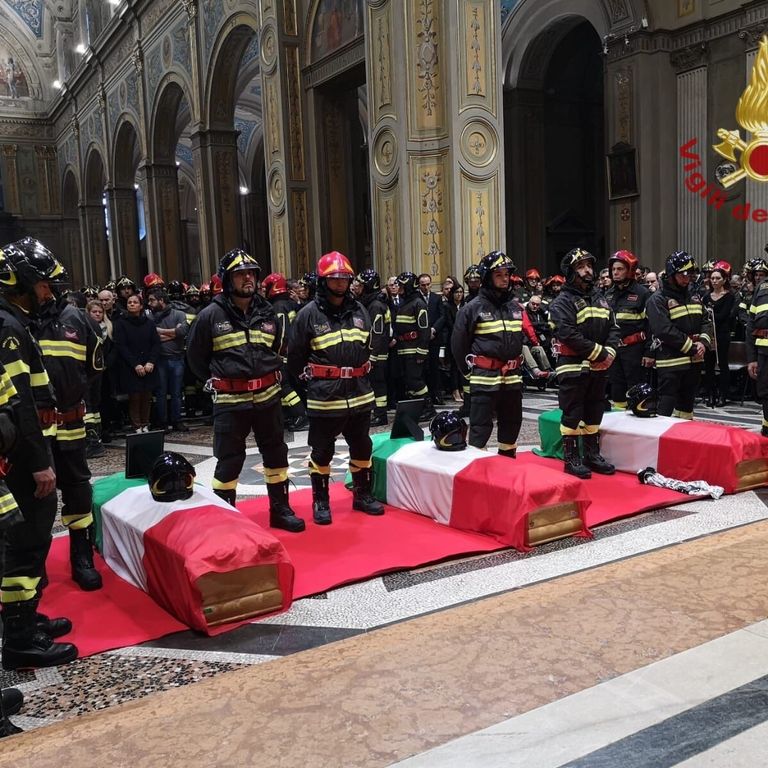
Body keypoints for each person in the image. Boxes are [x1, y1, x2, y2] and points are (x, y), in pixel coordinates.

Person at [5, 238, 104, 591]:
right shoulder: (16, 322)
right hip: (31, 432)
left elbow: (93, 369)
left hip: (70, 423)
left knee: (78, 492)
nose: (48, 292)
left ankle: (82, 557)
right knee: (34, 498)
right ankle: (34, 566)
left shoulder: (76, 319)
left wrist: (71, 397)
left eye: (51, 285)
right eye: (43, 285)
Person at [186, 249, 304, 532]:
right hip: (230, 401)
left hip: (268, 398)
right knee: (229, 460)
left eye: (251, 273)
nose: (248, 278)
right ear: (227, 280)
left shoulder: (267, 312)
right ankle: (226, 522)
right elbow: (195, 359)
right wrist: (224, 379)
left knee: (276, 454)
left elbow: (276, 348)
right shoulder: (210, 315)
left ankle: (280, 510)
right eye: (240, 274)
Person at [0, 245, 78, 668]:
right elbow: (19, 405)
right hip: (22, 458)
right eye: (44, 285)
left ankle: (25, 619)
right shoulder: (8, 327)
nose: (49, 294)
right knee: (27, 544)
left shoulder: (14, 321)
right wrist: (38, 463)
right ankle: (19, 638)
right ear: (20, 283)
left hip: (22, 451)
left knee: (29, 543)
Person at [287, 251, 383, 524]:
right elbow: (295, 358)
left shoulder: (360, 310)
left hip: (359, 394)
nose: (341, 283)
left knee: (362, 446)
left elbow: (367, 346)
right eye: (334, 278)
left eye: (344, 278)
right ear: (323, 281)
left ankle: (362, 495)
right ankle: (321, 501)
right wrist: (312, 384)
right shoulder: (308, 314)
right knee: (322, 451)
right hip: (325, 398)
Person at [549, 248, 621, 479]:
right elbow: (568, 334)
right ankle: (571, 459)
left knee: (595, 409)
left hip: (599, 367)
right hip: (572, 366)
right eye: (581, 267)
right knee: (573, 412)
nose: (587, 270)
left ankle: (592, 454)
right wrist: (600, 353)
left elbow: (613, 328)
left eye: (589, 265)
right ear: (570, 273)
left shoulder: (601, 299)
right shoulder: (561, 302)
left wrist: (610, 352)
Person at [452, 251, 525, 457]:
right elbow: (458, 345)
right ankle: (479, 468)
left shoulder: (515, 307)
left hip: (512, 379)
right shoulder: (471, 308)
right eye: (499, 275)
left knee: (512, 423)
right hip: (484, 378)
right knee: (480, 427)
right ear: (487, 277)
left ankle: (507, 461)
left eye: (507, 274)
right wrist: (469, 373)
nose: (505, 279)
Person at [646, 251, 713, 419]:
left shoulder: (694, 296)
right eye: (683, 274)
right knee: (666, 404)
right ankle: (660, 435)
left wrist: (703, 343)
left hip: (695, 361)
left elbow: (706, 321)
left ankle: (684, 433)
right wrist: (692, 347)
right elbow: (664, 330)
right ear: (671, 274)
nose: (687, 278)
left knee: (687, 404)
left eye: (690, 274)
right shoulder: (657, 299)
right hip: (671, 362)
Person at [605, 250, 653, 409]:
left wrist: (649, 352)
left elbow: (651, 325)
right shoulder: (608, 294)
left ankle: (637, 418)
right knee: (616, 387)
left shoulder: (643, 293)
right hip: (614, 350)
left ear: (630, 270)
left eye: (620, 269)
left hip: (635, 350)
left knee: (635, 388)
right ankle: (620, 419)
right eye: (613, 269)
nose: (615, 272)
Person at [262, 272, 309, 431]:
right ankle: (290, 415)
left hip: (283, 354)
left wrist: (277, 354)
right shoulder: (288, 304)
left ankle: (300, 415)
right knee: (291, 385)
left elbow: (282, 333)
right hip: (293, 352)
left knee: (283, 385)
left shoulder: (278, 306)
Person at [113, 293, 160, 432]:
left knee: (147, 396)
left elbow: (156, 344)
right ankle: (137, 425)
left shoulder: (149, 323)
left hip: (148, 366)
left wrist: (151, 362)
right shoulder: (121, 323)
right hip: (131, 367)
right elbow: (122, 346)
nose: (132, 304)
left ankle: (145, 424)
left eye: (135, 302)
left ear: (141, 306)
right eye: (129, 302)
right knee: (135, 397)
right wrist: (135, 364)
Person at [392, 271, 435, 421]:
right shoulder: (404, 303)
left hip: (414, 350)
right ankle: (417, 409)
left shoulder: (418, 304)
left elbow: (424, 330)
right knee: (408, 381)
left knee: (415, 380)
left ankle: (429, 407)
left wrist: (422, 351)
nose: (399, 288)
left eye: (401, 285)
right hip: (403, 349)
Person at [147, 288, 189, 432]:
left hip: (177, 358)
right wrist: (173, 333)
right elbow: (152, 337)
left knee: (177, 392)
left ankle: (177, 420)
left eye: (152, 300)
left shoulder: (179, 314)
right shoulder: (150, 317)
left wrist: (161, 332)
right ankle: (163, 422)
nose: (149, 303)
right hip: (160, 360)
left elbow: (182, 332)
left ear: (161, 301)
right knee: (161, 393)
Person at [356, 269, 391, 426]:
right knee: (375, 383)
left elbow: (376, 333)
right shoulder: (374, 302)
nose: (358, 288)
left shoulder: (375, 305)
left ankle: (380, 414)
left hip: (377, 353)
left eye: (361, 285)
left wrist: (372, 356)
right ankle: (377, 412)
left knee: (378, 384)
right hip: (376, 351)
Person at [702, 266, 735, 407]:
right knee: (708, 365)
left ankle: (723, 395)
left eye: (717, 278)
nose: (714, 281)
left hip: (722, 335)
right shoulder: (706, 297)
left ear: (724, 280)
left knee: (722, 365)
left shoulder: (729, 296)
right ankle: (711, 395)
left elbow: (723, 316)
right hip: (709, 335)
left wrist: (710, 312)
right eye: (712, 278)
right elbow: (703, 316)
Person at [746, 257, 768, 435]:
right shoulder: (762, 287)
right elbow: (751, 324)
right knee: (765, 392)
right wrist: (752, 358)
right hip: (763, 352)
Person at [418, 273, 445, 404]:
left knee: (434, 367)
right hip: (420, 339)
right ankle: (426, 396)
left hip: (434, 337)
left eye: (428, 284)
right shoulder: (416, 298)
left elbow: (442, 316)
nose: (425, 287)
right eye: (423, 285)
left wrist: (433, 329)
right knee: (423, 368)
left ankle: (437, 394)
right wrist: (425, 332)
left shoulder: (436, 298)